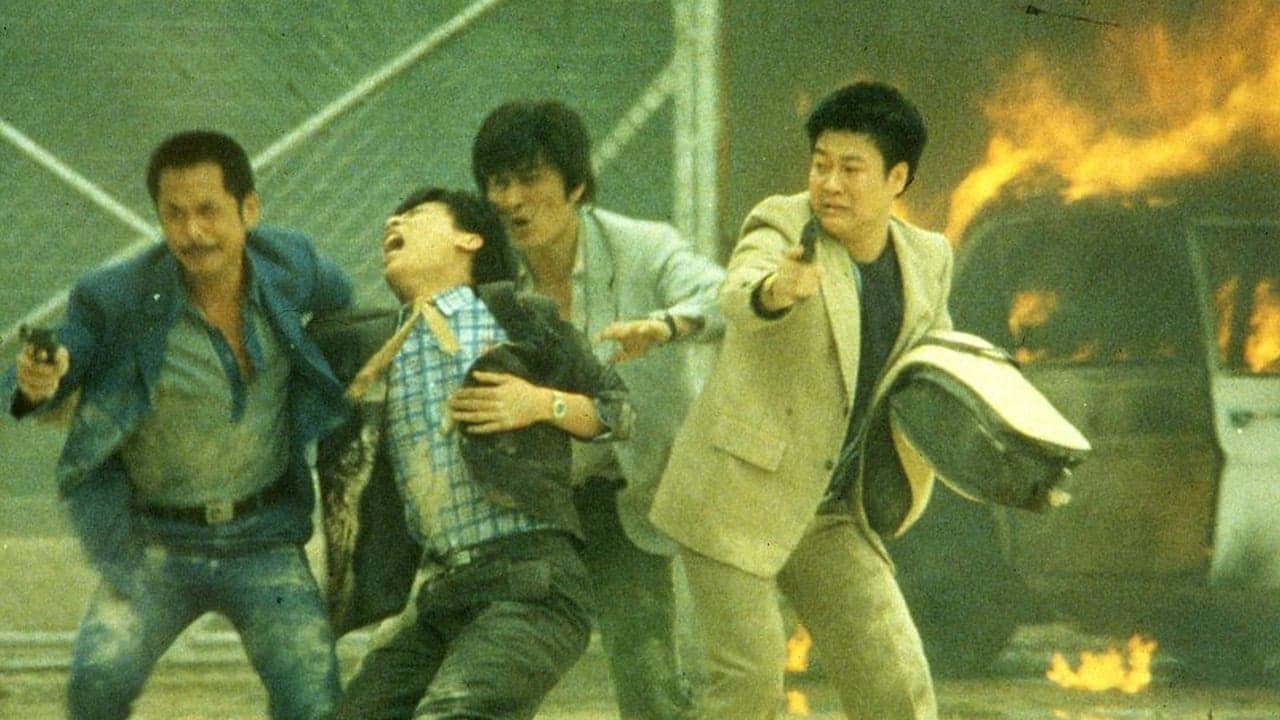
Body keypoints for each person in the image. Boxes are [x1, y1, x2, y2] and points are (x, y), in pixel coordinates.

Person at [2, 130, 353, 719]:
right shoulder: (117, 295)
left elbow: (347, 307)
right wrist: (39, 381)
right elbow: (64, 352)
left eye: (209, 210)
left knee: (313, 697)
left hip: (265, 537)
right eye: (175, 214)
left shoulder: (291, 265)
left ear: (248, 209)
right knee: (95, 684)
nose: (193, 232)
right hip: (155, 546)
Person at [649, 81, 953, 719]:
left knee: (897, 687)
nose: (829, 184)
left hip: (831, 509)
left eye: (851, 168)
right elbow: (740, 290)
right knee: (750, 687)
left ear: (898, 178)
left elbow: (940, 360)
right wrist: (776, 290)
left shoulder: (928, 259)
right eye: (820, 164)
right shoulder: (783, 223)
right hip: (735, 495)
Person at [321, 187, 634, 719]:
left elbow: (618, 410)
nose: (394, 222)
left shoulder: (515, 316)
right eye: (393, 217)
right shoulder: (371, 347)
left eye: (416, 215)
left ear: (470, 239)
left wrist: (541, 403)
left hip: (532, 584)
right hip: (441, 594)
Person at [471, 99, 725, 720]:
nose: (512, 200)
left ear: (577, 185)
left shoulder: (642, 247)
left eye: (530, 179)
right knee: (496, 679)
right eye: (499, 182)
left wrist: (665, 326)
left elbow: (724, 296)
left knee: (649, 684)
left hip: (623, 491)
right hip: (529, 507)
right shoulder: (486, 270)